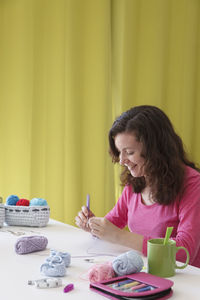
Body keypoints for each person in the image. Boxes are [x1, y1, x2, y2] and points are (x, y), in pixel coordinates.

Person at [75, 105, 200, 268]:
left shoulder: (193, 185)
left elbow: (184, 252)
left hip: (184, 281)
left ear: (156, 149)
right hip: (146, 272)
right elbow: (114, 222)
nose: (121, 161)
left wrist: (119, 236)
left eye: (129, 152)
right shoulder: (136, 180)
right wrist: (93, 225)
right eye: (119, 152)